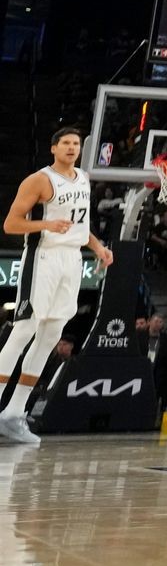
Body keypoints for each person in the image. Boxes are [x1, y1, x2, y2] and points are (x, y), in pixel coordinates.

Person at [0, 128, 110, 445]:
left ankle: (13, 414)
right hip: (43, 257)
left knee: (51, 336)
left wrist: (98, 248)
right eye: (66, 143)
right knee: (24, 330)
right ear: (54, 148)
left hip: (72, 259)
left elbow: (81, 225)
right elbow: (11, 224)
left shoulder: (85, 179)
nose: (72, 147)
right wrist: (46, 224)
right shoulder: (39, 180)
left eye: (76, 143)